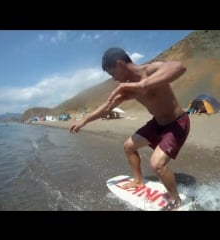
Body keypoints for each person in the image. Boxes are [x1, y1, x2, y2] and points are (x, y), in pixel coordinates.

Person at [70, 47, 190, 210]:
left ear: (120, 64)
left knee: (157, 164)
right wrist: (84, 120)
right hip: (157, 124)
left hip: (176, 123)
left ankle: (176, 201)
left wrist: (142, 85)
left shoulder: (150, 70)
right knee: (128, 146)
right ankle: (138, 181)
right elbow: (107, 107)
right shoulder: (127, 87)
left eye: (113, 74)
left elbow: (179, 67)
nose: (114, 79)